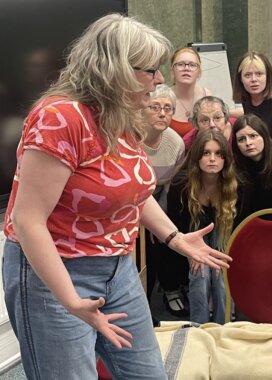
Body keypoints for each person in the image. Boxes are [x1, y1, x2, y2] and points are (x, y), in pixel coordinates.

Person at [2, 14, 231, 380]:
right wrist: (71, 301)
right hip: (56, 271)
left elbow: (135, 191)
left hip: (117, 267)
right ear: (115, 69)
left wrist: (174, 238)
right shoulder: (62, 116)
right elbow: (27, 221)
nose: (159, 80)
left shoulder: (123, 113)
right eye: (150, 70)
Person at [165, 129, 238, 324]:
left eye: (218, 154)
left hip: (224, 233)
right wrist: (191, 254)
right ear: (197, 157)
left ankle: (225, 326)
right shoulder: (181, 185)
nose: (212, 159)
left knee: (219, 271)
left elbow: (237, 227)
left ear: (225, 159)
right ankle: (199, 328)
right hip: (191, 234)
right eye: (206, 153)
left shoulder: (236, 184)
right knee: (200, 271)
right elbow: (176, 226)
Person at [141, 84, 188, 318]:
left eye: (168, 109)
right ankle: (142, 301)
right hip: (132, 198)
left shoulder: (175, 142)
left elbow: (169, 184)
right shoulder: (130, 137)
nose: (162, 113)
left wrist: (160, 217)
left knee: (169, 232)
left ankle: (171, 289)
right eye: (155, 107)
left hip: (160, 195)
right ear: (142, 109)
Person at [170, 47, 212, 138]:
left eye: (192, 65)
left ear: (199, 72)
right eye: (180, 64)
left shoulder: (206, 96)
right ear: (172, 71)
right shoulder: (164, 97)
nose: (186, 68)